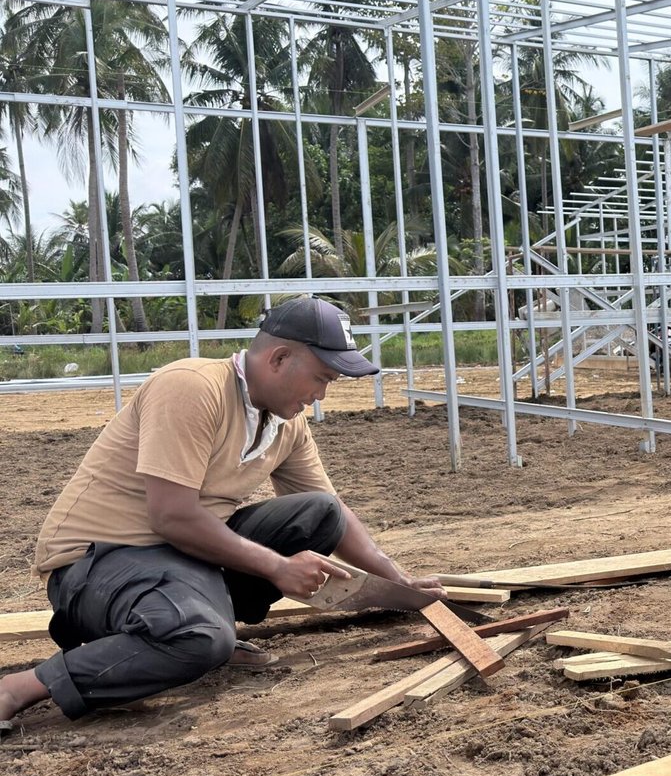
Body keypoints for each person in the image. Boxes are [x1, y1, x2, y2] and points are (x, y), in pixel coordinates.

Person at [0, 296, 444, 734]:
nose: (321, 394)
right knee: (201, 640)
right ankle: (21, 688)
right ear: (279, 358)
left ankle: (194, 622)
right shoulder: (192, 387)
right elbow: (171, 517)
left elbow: (335, 513)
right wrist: (278, 567)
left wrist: (397, 580)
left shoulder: (286, 423)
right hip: (96, 566)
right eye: (321, 378)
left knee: (320, 514)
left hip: (175, 558)